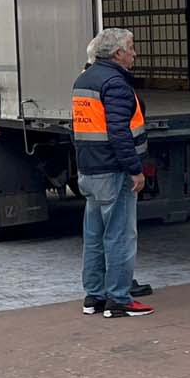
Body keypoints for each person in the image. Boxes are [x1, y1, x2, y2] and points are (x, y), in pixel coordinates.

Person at [73, 28, 154, 318]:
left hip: (90, 170)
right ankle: (119, 299)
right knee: (119, 236)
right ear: (117, 53)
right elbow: (119, 133)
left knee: (94, 236)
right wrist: (135, 170)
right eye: (131, 48)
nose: (134, 53)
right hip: (114, 171)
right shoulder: (115, 84)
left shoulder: (84, 80)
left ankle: (94, 296)